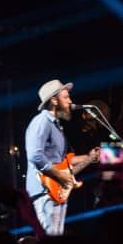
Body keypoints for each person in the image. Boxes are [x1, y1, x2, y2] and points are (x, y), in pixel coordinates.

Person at [24, 79, 99, 235]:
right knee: (51, 241)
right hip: (45, 190)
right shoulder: (42, 122)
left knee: (56, 238)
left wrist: (90, 156)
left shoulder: (56, 125)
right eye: (66, 97)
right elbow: (35, 155)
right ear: (53, 101)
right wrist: (60, 176)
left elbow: (63, 161)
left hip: (56, 190)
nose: (70, 101)